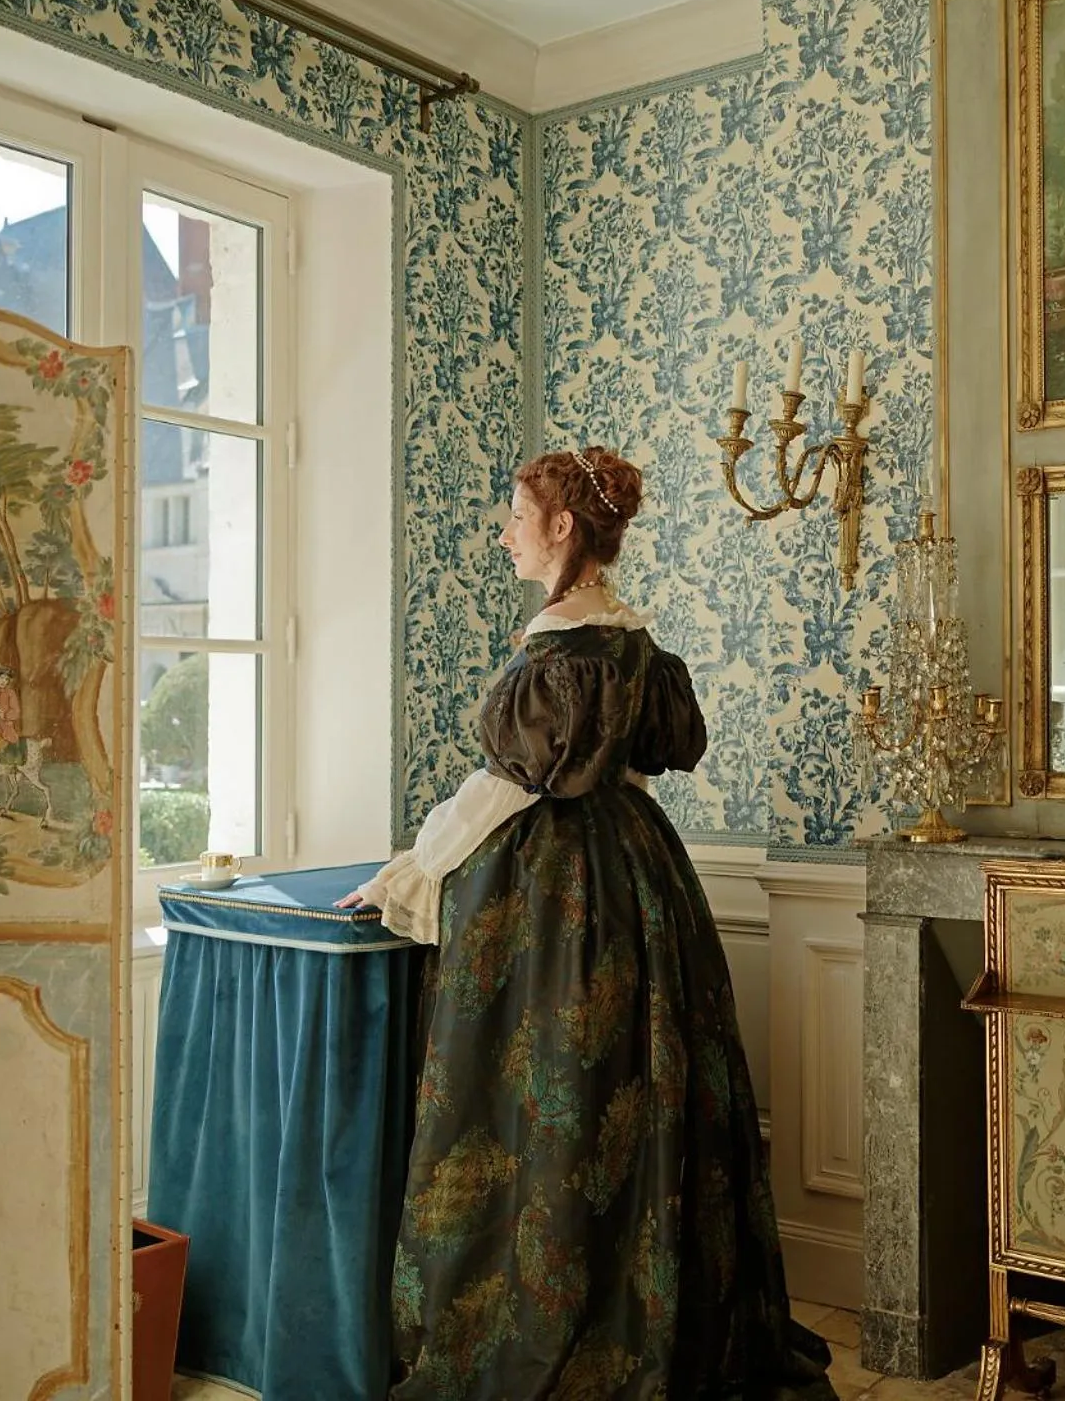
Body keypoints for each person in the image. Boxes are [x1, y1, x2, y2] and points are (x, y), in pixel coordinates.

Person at [337, 447, 835, 1401]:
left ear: (564, 528)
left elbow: (502, 789)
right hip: (642, 875)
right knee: (635, 1091)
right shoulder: (635, 642)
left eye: (516, 515)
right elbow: (642, 762)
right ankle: (655, 1317)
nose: (504, 531)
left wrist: (405, 872)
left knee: (543, 1096)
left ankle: (546, 1324)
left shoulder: (559, 646)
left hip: (553, 898)